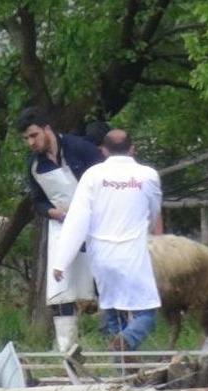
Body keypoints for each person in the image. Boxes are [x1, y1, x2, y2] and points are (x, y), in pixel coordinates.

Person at [52, 129, 163, 352]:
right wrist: (148, 231)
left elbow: (77, 220)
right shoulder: (148, 176)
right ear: (132, 149)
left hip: (102, 257)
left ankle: (121, 363)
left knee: (113, 312)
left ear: (103, 150)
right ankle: (127, 340)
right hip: (134, 256)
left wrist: (61, 261)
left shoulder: (93, 176)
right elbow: (154, 212)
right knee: (146, 314)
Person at [16, 107, 102, 351]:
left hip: (95, 226)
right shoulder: (34, 165)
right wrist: (52, 212)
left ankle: (118, 347)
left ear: (47, 129)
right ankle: (68, 350)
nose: (31, 142)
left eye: (34, 135)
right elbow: (38, 201)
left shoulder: (81, 148)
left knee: (104, 280)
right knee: (61, 288)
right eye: (26, 138)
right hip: (61, 229)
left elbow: (105, 182)